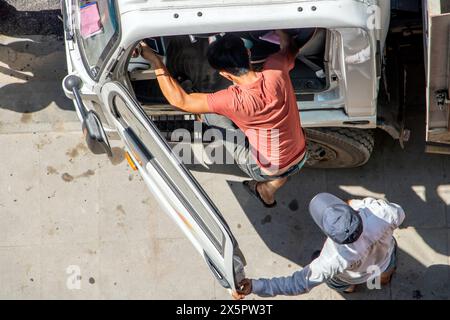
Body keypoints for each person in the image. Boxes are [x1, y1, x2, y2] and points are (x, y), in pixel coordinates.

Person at [139, 31, 307, 208]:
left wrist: (155, 61)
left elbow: (180, 101)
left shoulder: (232, 100)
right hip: (300, 153)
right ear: (248, 53)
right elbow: (290, 47)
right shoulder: (276, 68)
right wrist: (279, 28)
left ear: (225, 75)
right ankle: (267, 189)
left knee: (210, 114)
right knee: (280, 161)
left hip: (265, 168)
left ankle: (265, 185)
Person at [233, 193, 405, 299]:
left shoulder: (333, 259)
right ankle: (383, 280)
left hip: (350, 275)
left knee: (342, 283)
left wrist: (256, 286)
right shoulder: (383, 213)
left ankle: (351, 289)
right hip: (385, 258)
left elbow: (298, 284)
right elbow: (399, 212)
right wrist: (359, 205)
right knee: (385, 271)